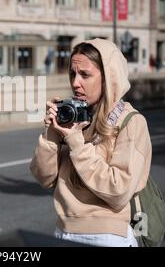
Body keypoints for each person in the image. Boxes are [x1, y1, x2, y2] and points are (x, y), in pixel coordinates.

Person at [30, 38, 152, 247]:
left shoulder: (130, 122)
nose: (75, 82)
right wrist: (51, 133)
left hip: (107, 236)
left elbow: (118, 191)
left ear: (109, 78)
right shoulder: (74, 114)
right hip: (63, 231)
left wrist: (76, 144)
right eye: (72, 73)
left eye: (85, 75)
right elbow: (44, 178)